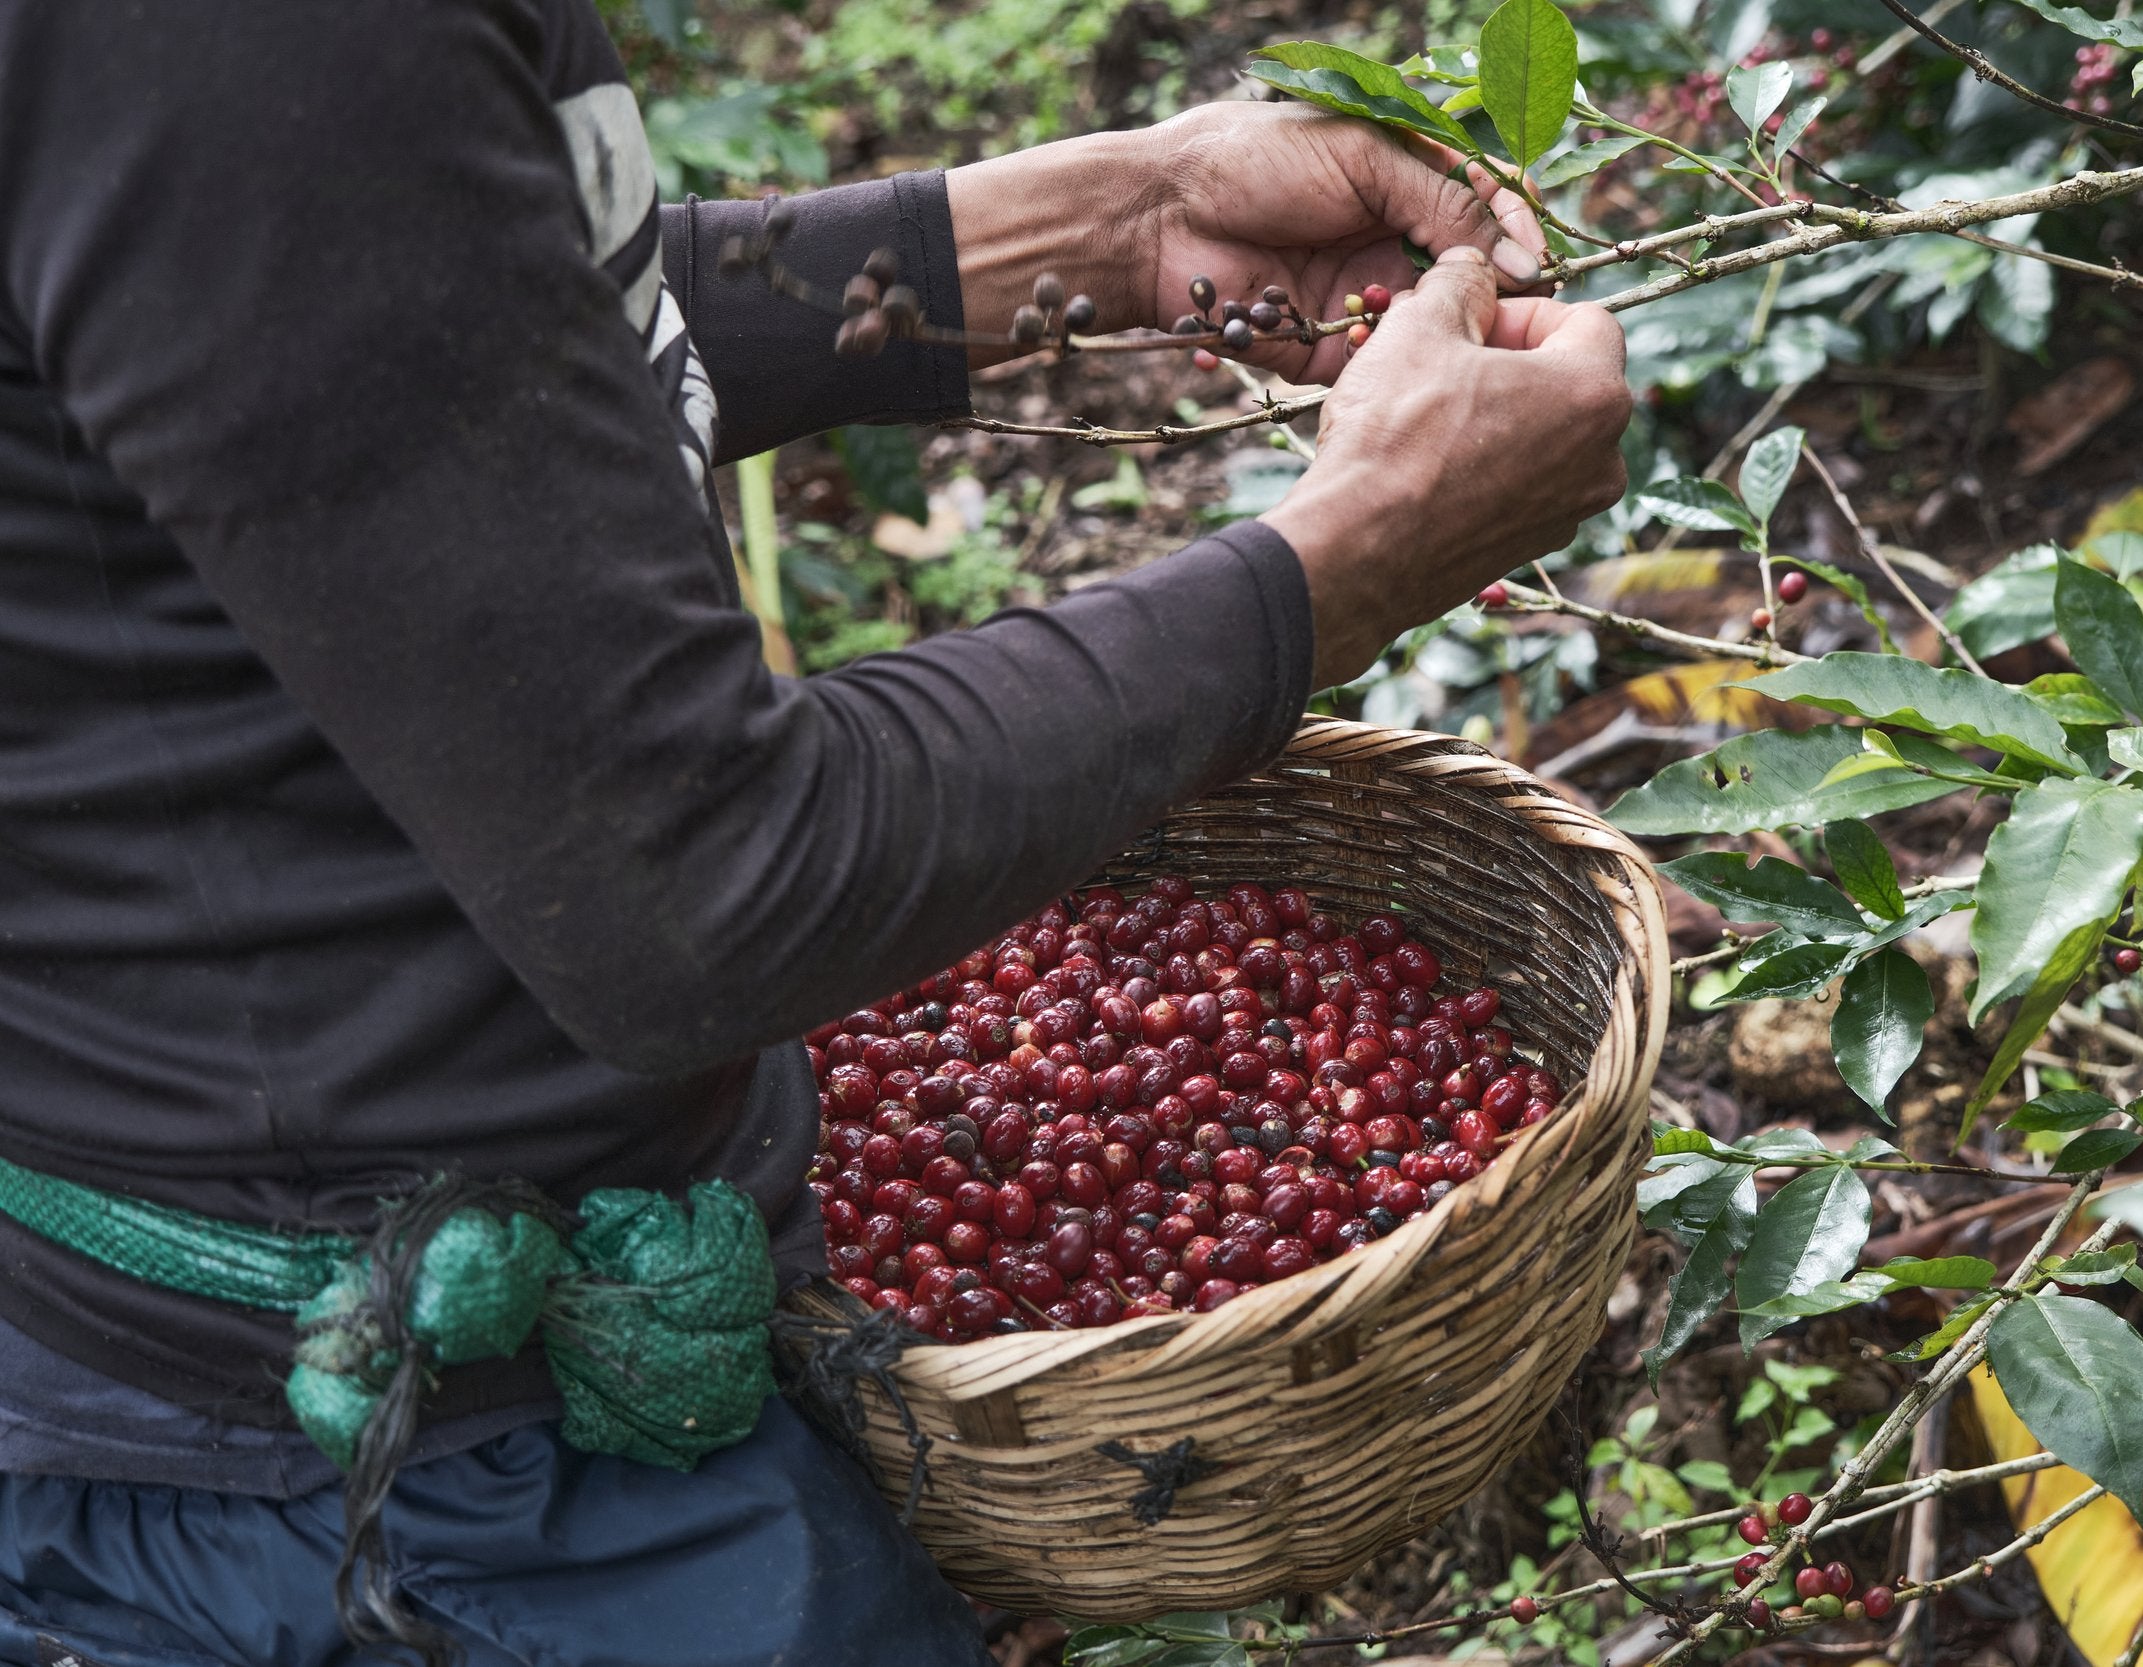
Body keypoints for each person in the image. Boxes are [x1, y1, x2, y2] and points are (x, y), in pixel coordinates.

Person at [0, 2, 1631, 1662]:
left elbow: (418, 346)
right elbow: (704, 892)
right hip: (385, 1479)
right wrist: (1338, 560)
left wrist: (1111, 228)